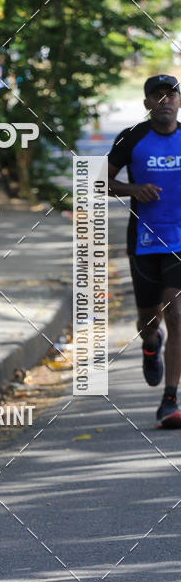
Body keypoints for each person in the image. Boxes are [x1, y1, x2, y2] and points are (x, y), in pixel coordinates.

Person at [107, 74, 181, 429]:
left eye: (171, 94)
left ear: (179, 102)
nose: (165, 100)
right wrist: (132, 189)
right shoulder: (132, 138)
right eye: (157, 95)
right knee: (150, 320)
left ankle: (170, 400)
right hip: (145, 241)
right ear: (147, 103)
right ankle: (150, 345)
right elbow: (100, 181)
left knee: (177, 311)